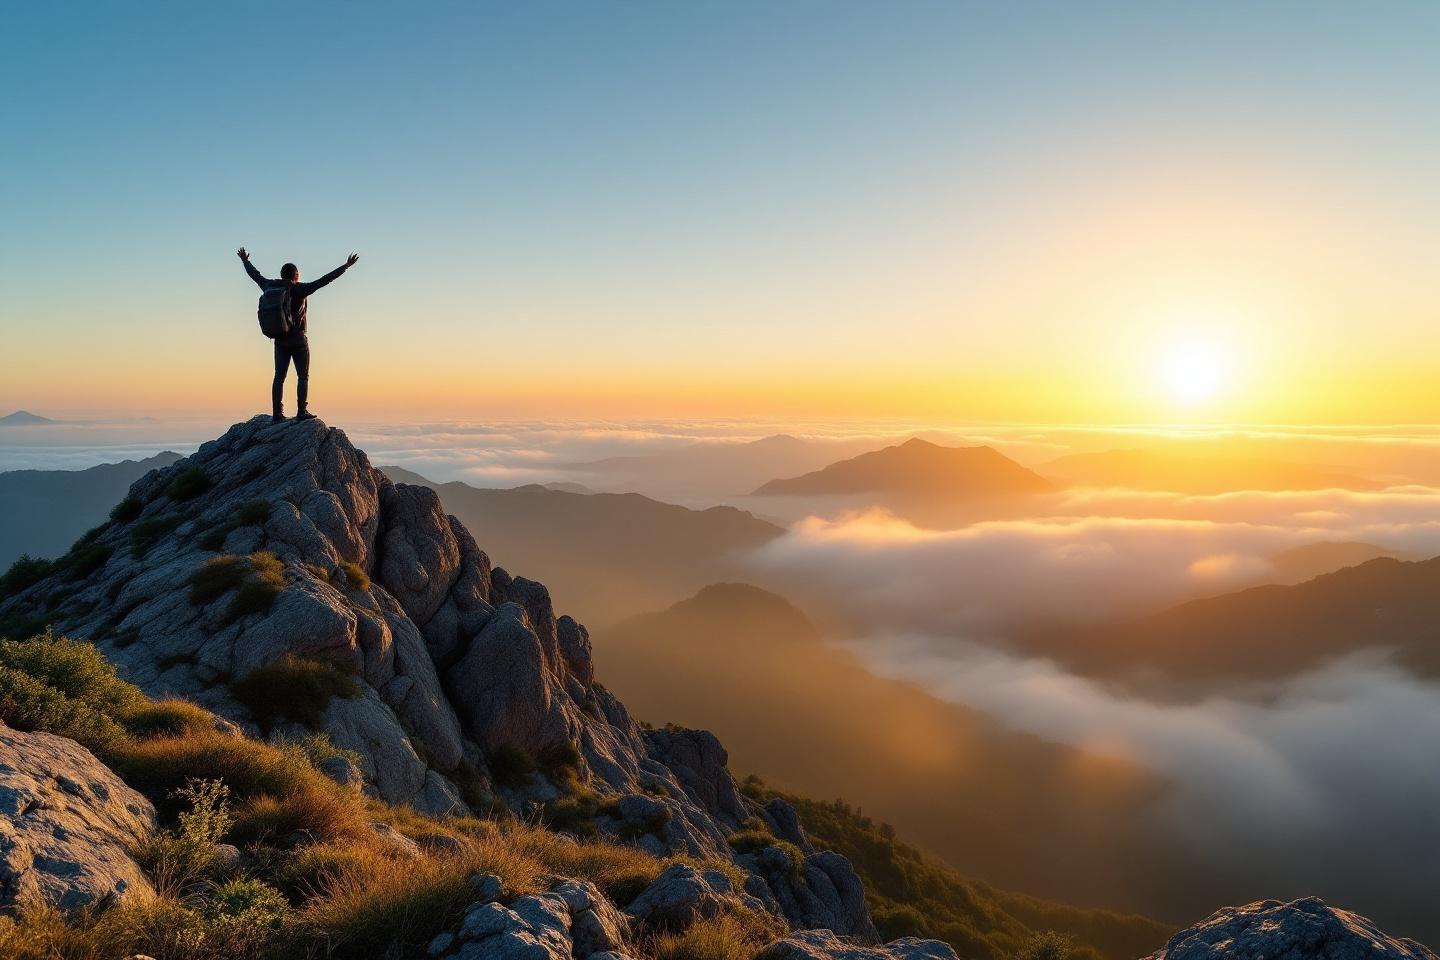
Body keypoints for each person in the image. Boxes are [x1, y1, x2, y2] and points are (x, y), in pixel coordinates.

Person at [237, 247, 359, 422]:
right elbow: (324, 280)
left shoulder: (269, 286)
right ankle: (301, 412)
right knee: (302, 376)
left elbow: (254, 275)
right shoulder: (300, 289)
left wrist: (245, 260)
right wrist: (346, 266)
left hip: (280, 339)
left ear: (281, 274)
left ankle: (277, 414)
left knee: (279, 377)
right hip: (298, 340)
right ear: (295, 275)